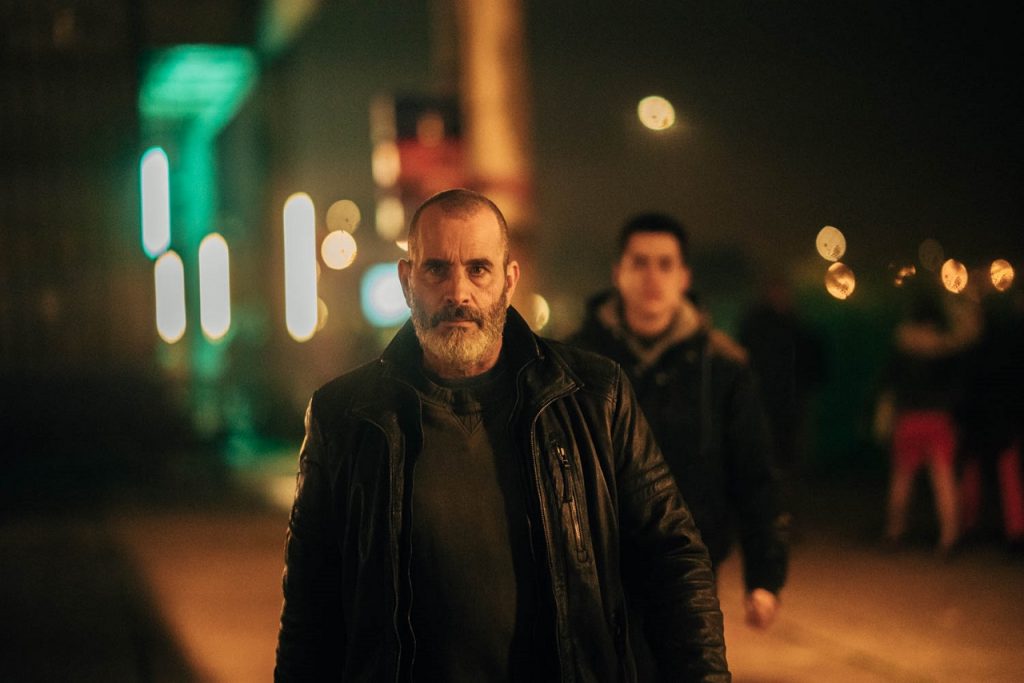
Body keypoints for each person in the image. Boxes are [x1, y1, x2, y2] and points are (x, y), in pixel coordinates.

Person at [275, 190, 729, 681]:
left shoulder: (594, 397)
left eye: (478, 269)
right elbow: (309, 609)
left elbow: (673, 556)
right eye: (436, 269)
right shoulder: (344, 417)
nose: (458, 293)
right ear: (407, 280)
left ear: (509, 281)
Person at [567, 213, 789, 640]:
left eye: (665, 264)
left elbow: (754, 475)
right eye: (640, 262)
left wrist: (765, 577)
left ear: (684, 276)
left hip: (689, 571)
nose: (652, 277)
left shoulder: (722, 368)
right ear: (618, 272)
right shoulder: (574, 362)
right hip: (592, 569)